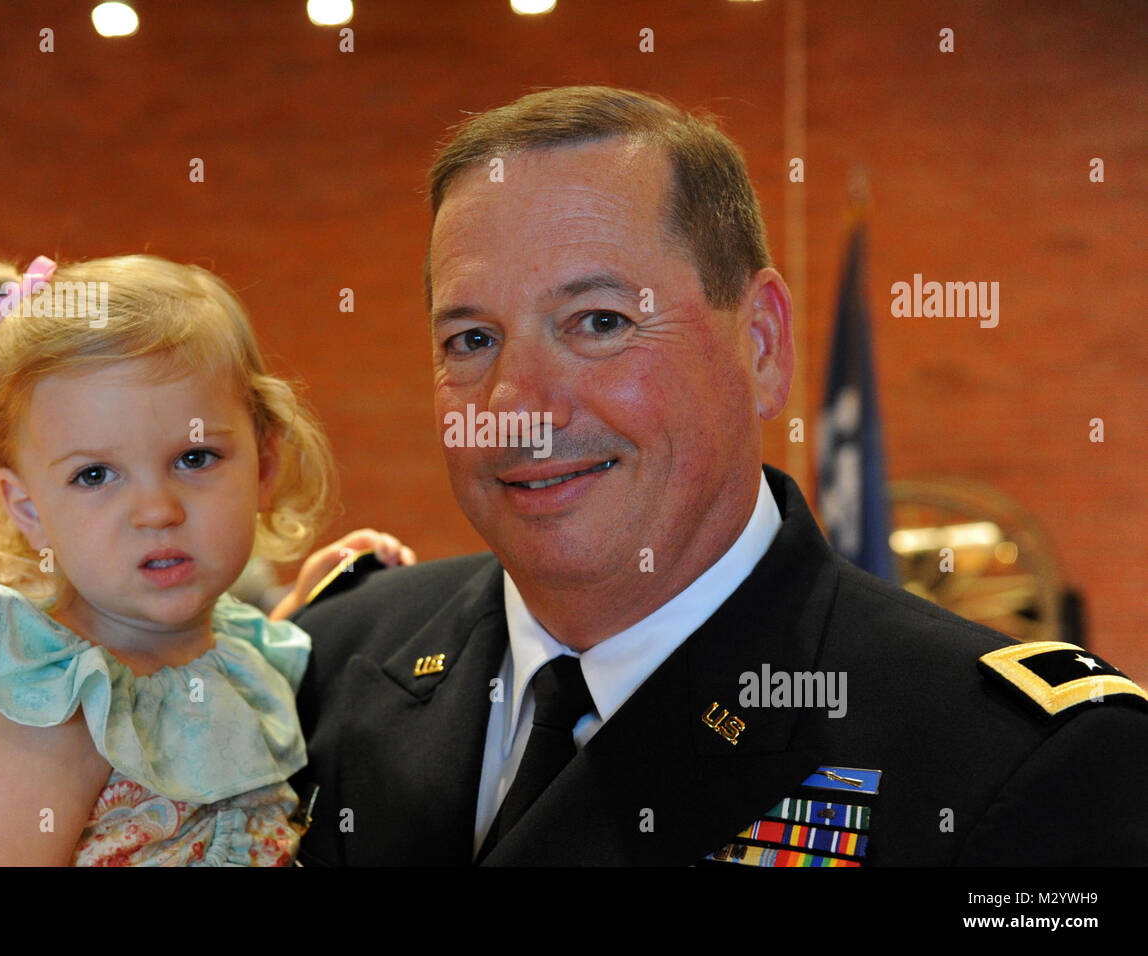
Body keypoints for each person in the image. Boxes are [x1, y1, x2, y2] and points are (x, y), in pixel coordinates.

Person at [286, 86, 1148, 866]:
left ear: (762, 346)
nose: (520, 405)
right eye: (470, 340)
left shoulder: (1019, 762)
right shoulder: (319, 667)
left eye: (598, 321)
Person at [0, 250, 413, 866]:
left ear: (263, 466)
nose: (156, 510)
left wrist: (317, 602)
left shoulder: (234, 656)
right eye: (96, 474)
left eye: (194, 458)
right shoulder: (55, 713)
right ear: (28, 510)